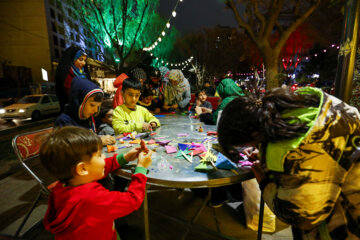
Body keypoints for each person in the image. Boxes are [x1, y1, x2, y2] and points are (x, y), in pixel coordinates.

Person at [218, 87, 360, 239]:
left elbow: (302, 216)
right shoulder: (304, 103)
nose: (250, 148)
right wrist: (263, 148)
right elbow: (318, 150)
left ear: (253, 133)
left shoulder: (287, 152)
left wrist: (266, 184)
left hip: (345, 225)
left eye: (247, 144)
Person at [40, 126, 152, 239]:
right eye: (99, 155)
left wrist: (125, 157)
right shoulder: (93, 197)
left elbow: (95, 170)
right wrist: (141, 168)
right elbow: (132, 200)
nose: (104, 156)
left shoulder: (63, 185)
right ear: (82, 168)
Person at [55, 77, 116, 145]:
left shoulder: (88, 117)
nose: (95, 110)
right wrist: (97, 141)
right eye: (92, 105)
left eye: (98, 106)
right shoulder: (64, 121)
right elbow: (68, 147)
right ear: (78, 102)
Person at [55, 46, 91, 112]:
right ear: (73, 59)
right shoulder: (68, 76)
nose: (84, 63)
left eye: (85, 60)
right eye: (80, 59)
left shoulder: (84, 74)